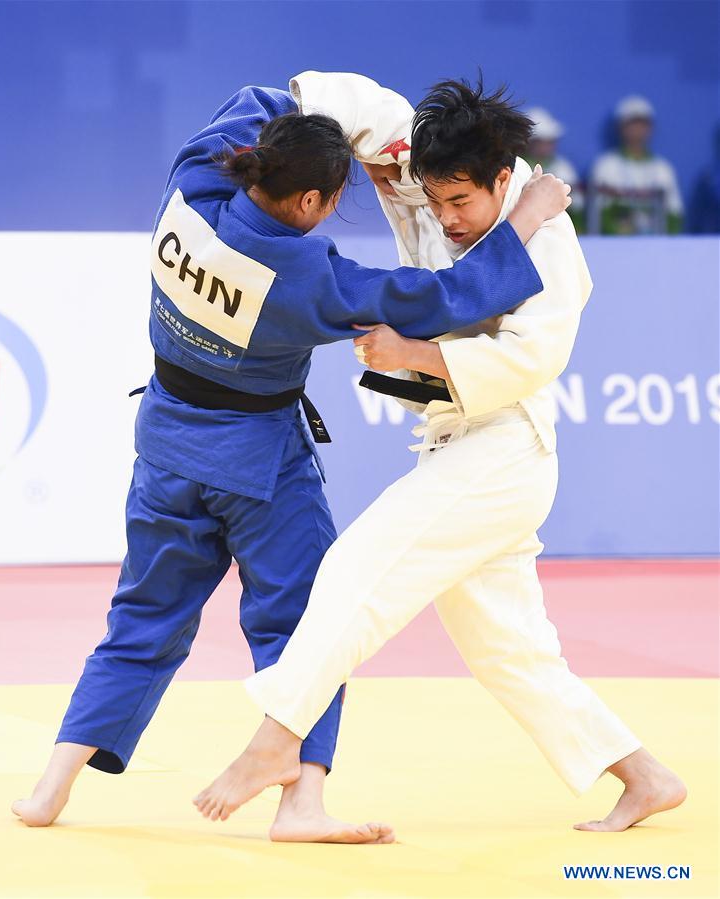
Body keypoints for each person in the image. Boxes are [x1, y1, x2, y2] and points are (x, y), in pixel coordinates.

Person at [11, 83, 566, 844]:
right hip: (258, 465)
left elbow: (264, 95)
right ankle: (301, 800)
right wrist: (529, 215)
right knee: (308, 622)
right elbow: (453, 297)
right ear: (308, 201)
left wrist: (359, 125)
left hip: (165, 445)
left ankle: (49, 788)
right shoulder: (308, 278)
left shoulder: (193, 182)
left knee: (139, 619)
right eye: (336, 199)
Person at [194, 72, 687, 834]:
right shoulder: (419, 160)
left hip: (506, 449)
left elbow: (531, 359)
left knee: (361, 566)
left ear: (502, 180)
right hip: (456, 443)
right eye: (436, 200)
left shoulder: (548, 241)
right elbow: (347, 100)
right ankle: (643, 773)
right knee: (508, 652)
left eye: (462, 203)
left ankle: (275, 740)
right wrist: (293, 125)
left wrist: (412, 352)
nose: (447, 219)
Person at [589, 95, 683, 234]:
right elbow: (598, 211)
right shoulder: (605, 165)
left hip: (656, 246)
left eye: (643, 124)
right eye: (632, 124)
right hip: (613, 245)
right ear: (620, 127)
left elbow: (674, 214)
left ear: (650, 128)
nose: (637, 129)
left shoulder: (663, 168)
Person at [525, 106, 585, 232]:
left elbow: (577, 205)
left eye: (550, 141)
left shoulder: (564, 167)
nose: (546, 146)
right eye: (541, 141)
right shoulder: (518, 165)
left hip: (558, 229)